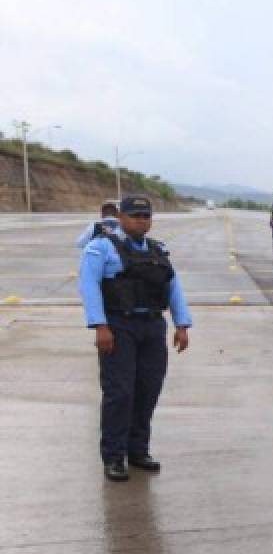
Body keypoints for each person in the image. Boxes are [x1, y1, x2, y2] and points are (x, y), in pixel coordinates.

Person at [78, 195, 191, 481]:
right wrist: (99, 326)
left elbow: (173, 287)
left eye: (146, 216)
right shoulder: (100, 248)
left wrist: (182, 324)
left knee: (147, 390)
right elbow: (89, 286)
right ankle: (114, 456)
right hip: (119, 326)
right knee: (120, 392)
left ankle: (138, 450)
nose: (142, 221)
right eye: (135, 216)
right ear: (122, 218)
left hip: (153, 326)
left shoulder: (158, 250)